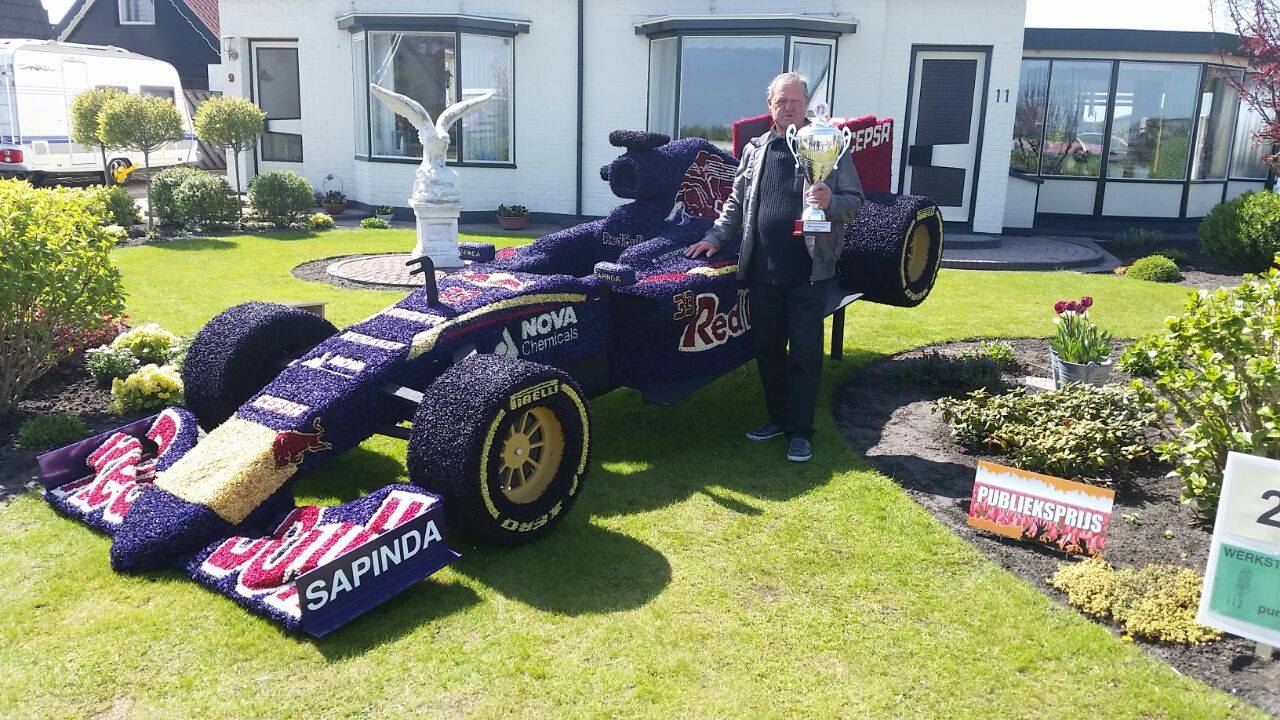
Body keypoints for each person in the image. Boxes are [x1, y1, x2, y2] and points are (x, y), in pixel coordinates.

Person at [685, 72, 864, 462]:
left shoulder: (828, 144)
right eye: (781, 101)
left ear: (806, 104)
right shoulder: (755, 149)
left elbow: (855, 201)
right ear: (770, 105)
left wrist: (831, 201)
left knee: (804, 355)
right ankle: (779, 418)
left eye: (795, 101)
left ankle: (800, 431)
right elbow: (736, 203)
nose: (788, 107)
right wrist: (714, 238)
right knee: (766, 351)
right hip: (763, 271)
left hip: (809, 273)